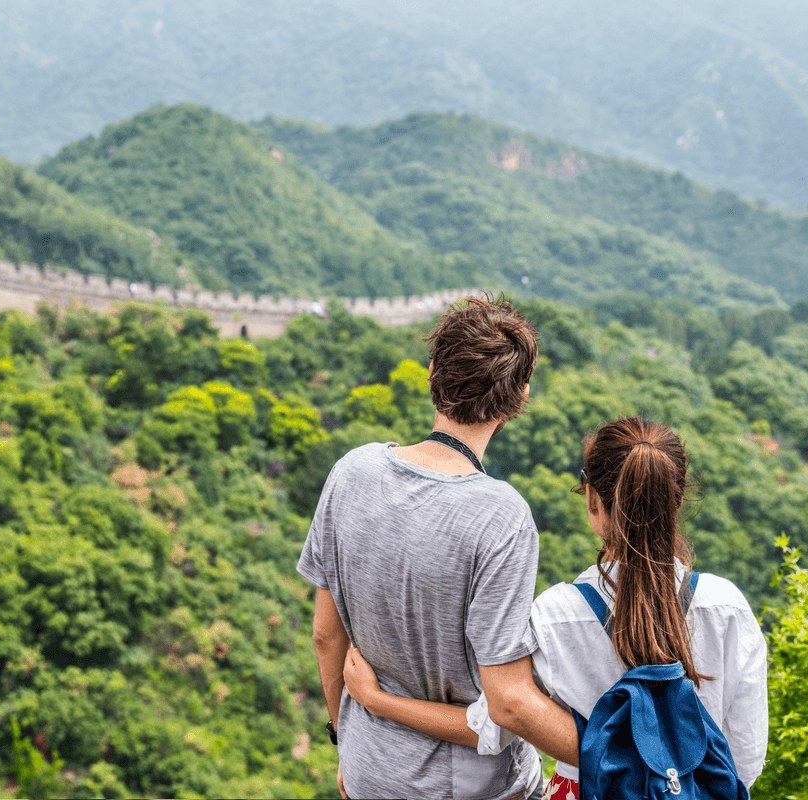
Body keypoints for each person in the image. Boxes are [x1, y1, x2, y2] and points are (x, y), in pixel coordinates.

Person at [342, 417, 768, 797]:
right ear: (675, 504)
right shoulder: (726, 608)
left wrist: (378, 701)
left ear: (592, 502)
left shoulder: (557, 618)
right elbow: (744, 760)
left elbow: (490, 725)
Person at [298, 297, 578, 800]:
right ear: (519, 399)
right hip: (465, 787)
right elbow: (507, 708)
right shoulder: (500, 517)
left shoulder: (351, 472)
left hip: (367, 772)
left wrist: (348, 739)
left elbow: (325, 635)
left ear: (432, 372)